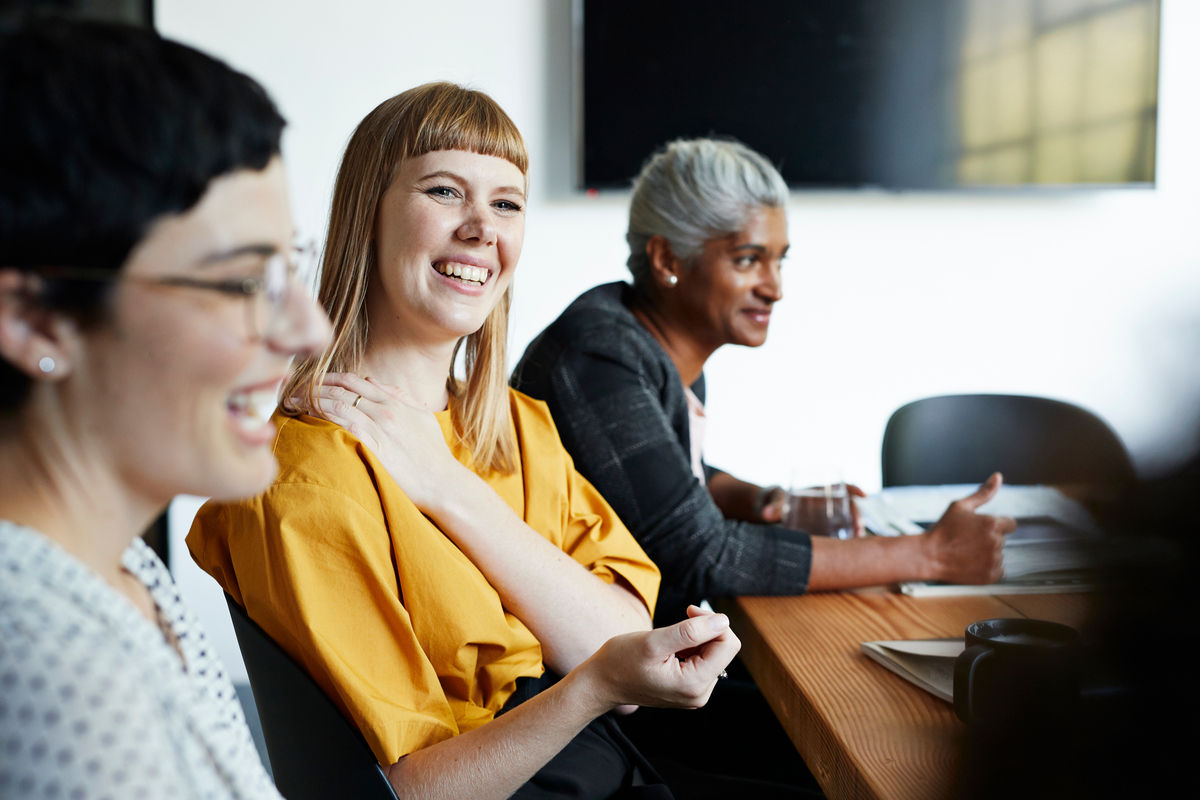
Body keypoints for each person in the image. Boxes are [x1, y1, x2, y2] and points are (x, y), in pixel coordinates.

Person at [187, 83, 741, 800]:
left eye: (506, 203)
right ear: (369, 217)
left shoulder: (515, 424)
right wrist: (594, 684)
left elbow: (621, 635)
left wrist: (449, 491)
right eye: (446, 192)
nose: (483, 229)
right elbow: (414, 790)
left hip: (611, 764)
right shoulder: (306, 479)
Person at [0, 20, 331, 800]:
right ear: (36, 319)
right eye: (242, 282)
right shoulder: (45, 661)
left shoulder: (123, 569)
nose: (308, 331)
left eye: (288, 267)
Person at [513, 137, 1018, 628]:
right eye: (747, 259)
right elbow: (701, 555)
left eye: (780, 260)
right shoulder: (600, 357)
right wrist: (928, 553)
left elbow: (660, 482)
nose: (774, 288)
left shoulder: (647, 344)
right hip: (592, 693)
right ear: (667, 260)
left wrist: (765, 501)